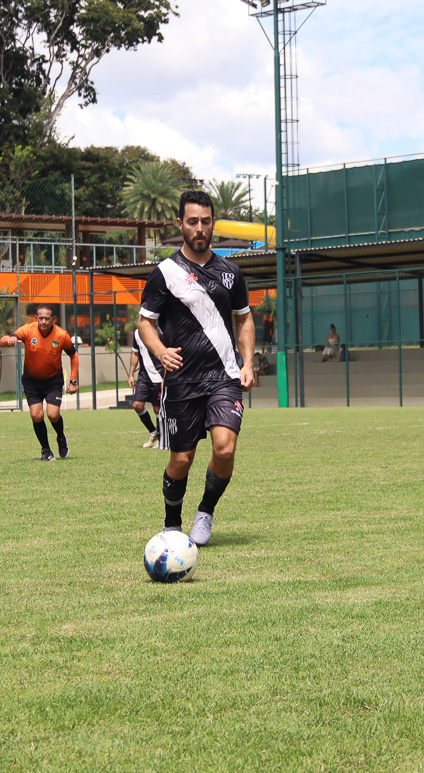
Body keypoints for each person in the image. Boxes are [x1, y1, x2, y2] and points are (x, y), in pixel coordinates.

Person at [136, 190, 256, 547]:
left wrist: (248, 363)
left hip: (224, 377)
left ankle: (205, 512)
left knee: (225, 448)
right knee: (182, 459)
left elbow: (244, 319)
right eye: (192, 222)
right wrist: (160, 351)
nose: (199, 228)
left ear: (213, 223)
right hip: (182, 381)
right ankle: (172, 522)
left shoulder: (231, 272)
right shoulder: (165, 273)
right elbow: (144, 323)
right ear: (180, 224)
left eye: (205, 221)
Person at [0, 303, 79, 460]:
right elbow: (4, 339)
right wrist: (9, 340)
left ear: (53, 319)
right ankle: (46, 451)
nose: (43, 321)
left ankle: (61, 437)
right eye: (40, 318)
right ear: (36, 318)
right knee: (36, 415)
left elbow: (74, 356)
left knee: (53, 414)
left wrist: (73, 380)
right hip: (31, 382)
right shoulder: (27, 330)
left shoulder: (61, 335)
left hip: (53, 381)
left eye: (47, 318)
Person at [127, 327, 164, 449]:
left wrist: (166, 376)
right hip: (144, 376)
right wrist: (131, 374)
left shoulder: (161, 331)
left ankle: (161, 437)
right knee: (137, 405)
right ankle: (153, 432)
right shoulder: (137, 333)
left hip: (159, 375)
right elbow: (135, 353)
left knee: (157, 408)